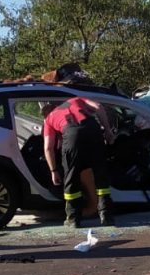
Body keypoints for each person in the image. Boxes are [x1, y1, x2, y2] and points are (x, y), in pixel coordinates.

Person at [42, 96, 116, 229]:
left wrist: (53, 171)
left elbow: (48, 147)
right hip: (93, 130)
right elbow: (99, 107)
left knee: (71, 176)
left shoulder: (49, 120)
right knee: (100, 173)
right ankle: (106, 215)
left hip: (71, 136)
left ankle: (73, 218)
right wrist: (108, 130)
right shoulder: (75, 99)